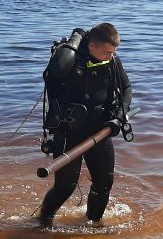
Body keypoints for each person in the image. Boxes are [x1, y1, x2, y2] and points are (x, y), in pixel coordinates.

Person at [38, 22, 133, 226]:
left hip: (100, 130)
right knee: (66, 187)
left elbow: (126, 88)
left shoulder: (112, 60)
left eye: (113, 52)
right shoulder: (70, 63)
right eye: (107, 52)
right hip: (69, 131)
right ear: (92, 46)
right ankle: (43, 220)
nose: (111, 56)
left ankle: (94, 225)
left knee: (104, 182)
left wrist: (119, 116)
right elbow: (50, 82)